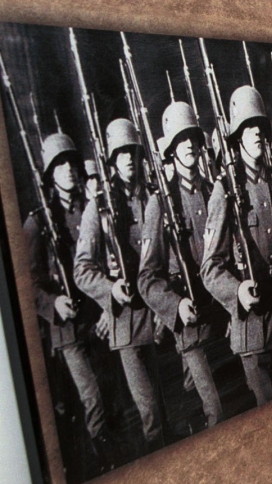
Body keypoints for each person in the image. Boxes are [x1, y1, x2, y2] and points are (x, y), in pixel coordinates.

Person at [24, 132, 114, 465]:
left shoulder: (89, 211)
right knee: (92, 400)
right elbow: (27, 283)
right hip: (66, 330)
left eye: (71, 164)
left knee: (112, 393)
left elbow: (105, 263)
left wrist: (107, 306)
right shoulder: (37, 223)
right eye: (59, 165)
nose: (69, 170)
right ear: (50, 174)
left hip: (96, 319)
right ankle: (106, 462)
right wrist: (53, 304)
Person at [74, 118, 164, 452]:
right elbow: (82, 269)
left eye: (132, 152)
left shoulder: (152, 199)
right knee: (150, 411)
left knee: (166, 402)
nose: (128, 159)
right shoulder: (98, 208)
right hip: (125, 321)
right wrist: (109, 288)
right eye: (120, 153)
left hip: (156, 314)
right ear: (111, 160)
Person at [201, 85, 272, 407]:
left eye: (259, 127)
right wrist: (236, 292)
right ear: (237, 135)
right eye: (247, 127)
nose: (255, 133)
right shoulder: (224, 189)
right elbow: (209, 268)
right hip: (251, 329)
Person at [138, 101, 224, 429]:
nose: (188, 144)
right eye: (180, 139)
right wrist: (175, 306)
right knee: (216, 409)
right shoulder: (160, 203)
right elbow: (147, 278)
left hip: (224, 315)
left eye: (192, 137)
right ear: (171, 150)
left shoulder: (215, 191)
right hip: (190, 323)